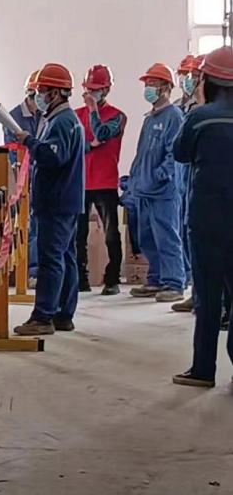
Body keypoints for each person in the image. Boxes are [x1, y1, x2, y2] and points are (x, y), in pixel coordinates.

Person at [171, 46, 233, 387]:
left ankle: (204, 370)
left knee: (208, 296)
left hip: (208, 220)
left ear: (206, 80)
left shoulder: (200, 117)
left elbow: (180, 153)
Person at [13, 64, 85, 336]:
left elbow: (54, 156)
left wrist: (29, 142)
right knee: (65, 256)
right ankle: (63, 314)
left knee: (51, 259)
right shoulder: (61, 120)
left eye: (41, 91)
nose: (37, 97)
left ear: (55, 93)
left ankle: (43, 316)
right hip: (64, 201)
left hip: (57, 202)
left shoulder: (62, 122)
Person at [128, 63, 186, 303]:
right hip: (145, 189)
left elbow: (174, 154)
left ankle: (174, 283)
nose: (148, 88)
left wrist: (160, 176)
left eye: (153, 84)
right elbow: (142, 153)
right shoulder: (150, 118)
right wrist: (134, 179)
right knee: (147, 238)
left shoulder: (174, 116)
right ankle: (156, 279)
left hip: (163, 192)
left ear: (166, 88)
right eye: (147, 84)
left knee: (167, 237)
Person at [74, 65, 126, 296]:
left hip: (105, 183)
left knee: (111, 234)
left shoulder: (117, 116)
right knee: (78, 234)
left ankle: (112, 280)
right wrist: (89, 146)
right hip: (81, 182)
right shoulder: (76, 115)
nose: (91, 93)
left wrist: (93, 110)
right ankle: (80, 279)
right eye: (89, 89)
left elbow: (102, 134)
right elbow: (74, 145)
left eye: (95, 89)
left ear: (106, 90)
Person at [4, 70, 42, 286]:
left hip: (40, 177)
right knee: (19, 225)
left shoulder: (44, 115)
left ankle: (34, 270)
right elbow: (12, 152)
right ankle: (17, 270)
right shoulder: (13, 117)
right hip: (20, 178)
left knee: (36, 224)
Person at [170, 55, 201, 313]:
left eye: (192, 76)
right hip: (183, 182)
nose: (187, 81)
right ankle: (196, 291)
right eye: (185, 76)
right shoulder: (180, 108)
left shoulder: (204, 112)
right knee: (187, 237)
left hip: (201, 184)